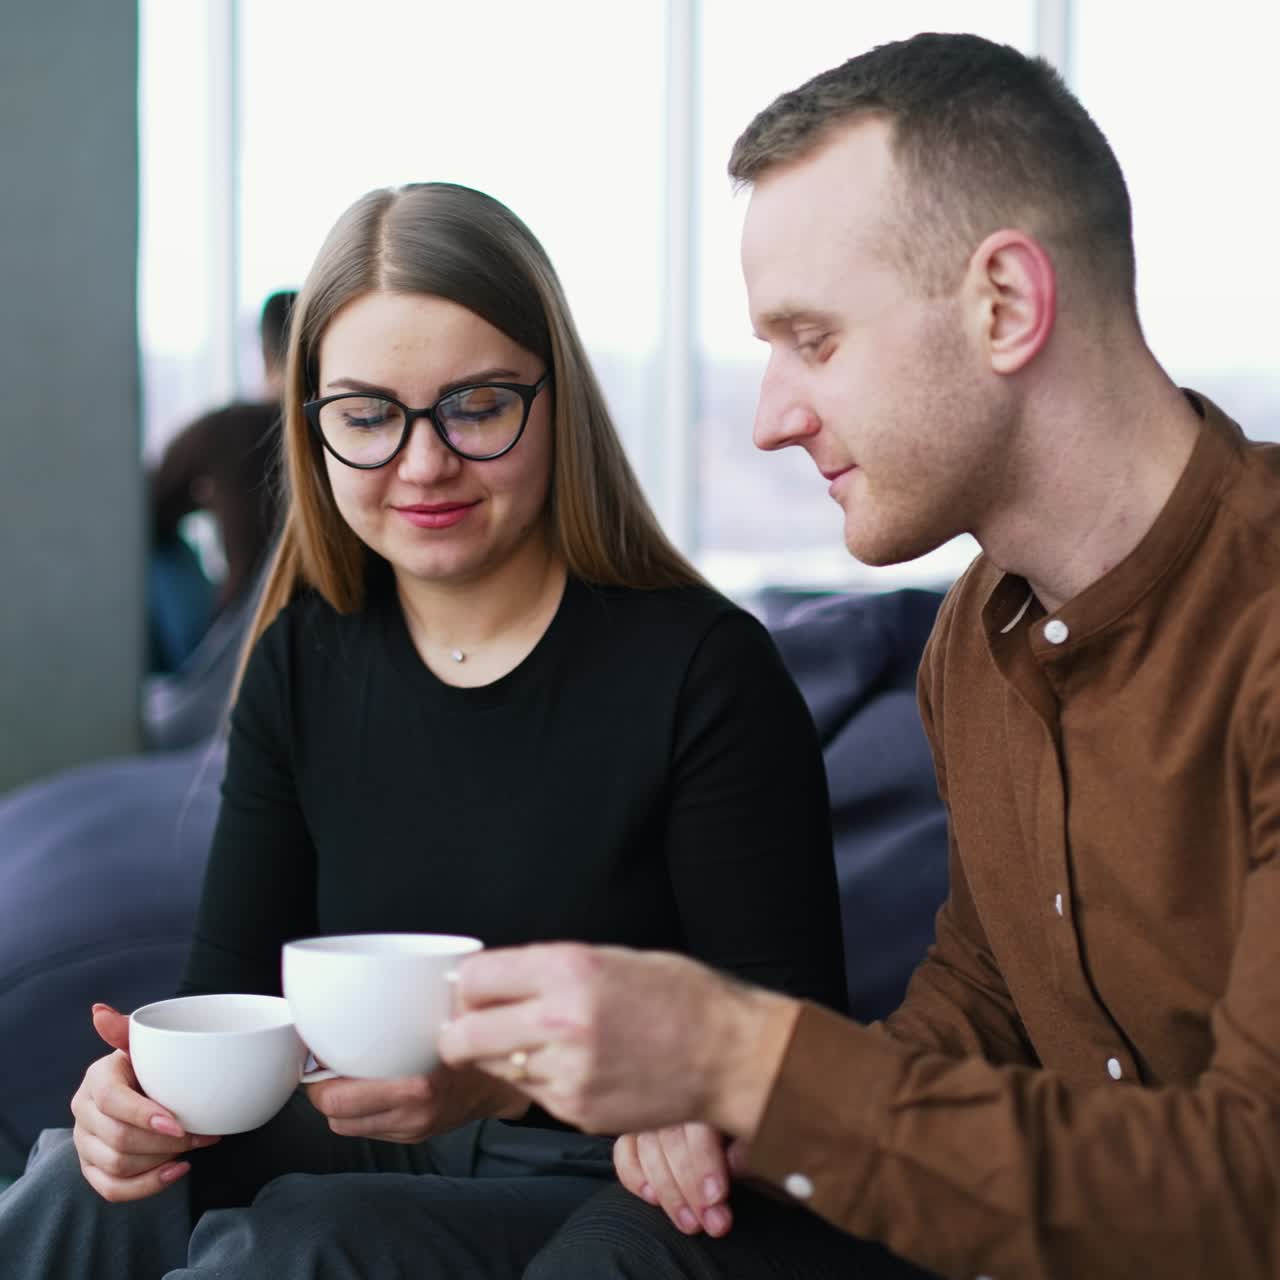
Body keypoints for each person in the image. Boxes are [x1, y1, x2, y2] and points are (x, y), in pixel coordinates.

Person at [437, 32, 1280, 1280]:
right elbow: (986, 1003)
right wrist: (729, 1104)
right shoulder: (972, 639)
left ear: (1004, 304)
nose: (773, 415)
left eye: (811, 340)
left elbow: (1254, 1193)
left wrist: (742, 1053)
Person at [0, 183, 850, 1278]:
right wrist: (134, 1096)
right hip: (372, 1139)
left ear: (556, 400)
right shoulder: (302, 660)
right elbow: (231, 1001)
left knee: (293, 1248)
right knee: (84, 1177)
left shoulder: (701, 668)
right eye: (365, 416)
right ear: (312, 427)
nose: (420, 462)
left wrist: (553, 1083)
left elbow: (797, 1051)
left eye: (477, 404)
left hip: (614, 1163)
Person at [147, 289, 296, 673]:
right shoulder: (345, 431)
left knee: (154, 546)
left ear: (264, 354)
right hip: (326, 622)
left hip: (236, 634)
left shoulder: (222, 431)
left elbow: (146, 512)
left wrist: (206, 501)